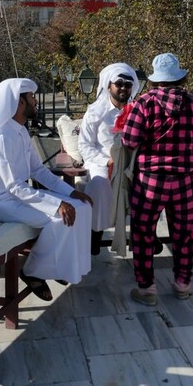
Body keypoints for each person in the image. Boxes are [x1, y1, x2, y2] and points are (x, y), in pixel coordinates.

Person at [0, 78, 93, 301]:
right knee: (60, 218)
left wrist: (70, 193)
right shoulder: (2, 137)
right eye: (32, 97)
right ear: (18, 103)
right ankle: (31, 271)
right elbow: (12, 186)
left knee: (81, 206)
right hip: (0, 202)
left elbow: (38, 170)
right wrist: (56, 204)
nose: (36, 101)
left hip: (17, 195)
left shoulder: (19, 131)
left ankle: (61, 267)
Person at [120, 53, 193, 305]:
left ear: (154, 80)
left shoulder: (144, 103)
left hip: (150, 181)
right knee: (184, 234)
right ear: (180, 78)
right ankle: (182, 284)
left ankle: (147, 289)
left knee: (143, 233)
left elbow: (129, 141)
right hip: (184, 179)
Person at [78, 62, 140, 255]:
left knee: (150, 183)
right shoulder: (95, 112)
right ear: (108, 86)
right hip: (102, 162)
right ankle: (95, 235)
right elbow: (85, 145)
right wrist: (107, 161)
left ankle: (146, 236)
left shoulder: (138, 110)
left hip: (132, 162)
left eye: (128, 85)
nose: (123, 88)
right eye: (119, 83)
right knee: (99, 185)